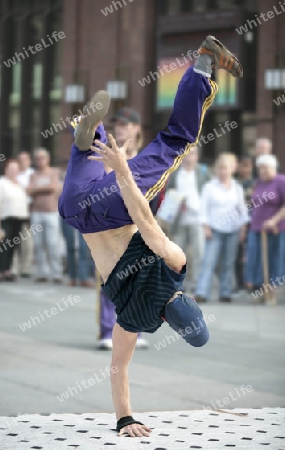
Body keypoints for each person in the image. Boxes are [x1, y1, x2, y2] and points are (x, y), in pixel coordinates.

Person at [59, 36, 242, 437]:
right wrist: (126, 418)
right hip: (76, 211)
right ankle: (89, 138)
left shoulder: (175, 266)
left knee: (177, 139)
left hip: (116, 206)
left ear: (188, 299)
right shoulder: (137, 319)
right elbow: (118, 367)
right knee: (87, 154)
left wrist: (123, 171)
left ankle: (202, 66)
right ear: (169, 324)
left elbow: (143, 217)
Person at [98, 107, 148, 350]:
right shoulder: (106, 155)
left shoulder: (146, 157)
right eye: (118, 124)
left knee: (138, 281)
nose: (121, 128)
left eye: (127, 124)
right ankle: (108, 331)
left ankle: (133, 332)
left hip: (141, 224)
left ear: (137, 128)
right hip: (111, 224)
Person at [195, 153, 249, 303]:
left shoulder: (237, 188)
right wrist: (206, 227)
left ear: (232, 169)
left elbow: (242, 210)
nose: (223, 172)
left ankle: (225, 292)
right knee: (209, 262)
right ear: (216, 169)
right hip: (214, 230)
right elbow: (203, 209)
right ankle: (201, 292)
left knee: (228, 262)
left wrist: (243, 229)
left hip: (233, 230)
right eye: (220, 168)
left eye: (226, 168)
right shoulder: (209, 187)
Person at [166, 146, 211, 293]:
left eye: (193, 154)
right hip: (180, 220)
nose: (190, 157)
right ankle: (180, 284)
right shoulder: (175, 173)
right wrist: (177, 202)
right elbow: (169, 193)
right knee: (179, 255)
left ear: (197, 156)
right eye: (187, 154)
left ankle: (198, 285)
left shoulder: (203, 172)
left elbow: (211, 193)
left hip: (198, 219)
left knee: (199, 253)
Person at [245, 154, 285, 305]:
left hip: (275, 229)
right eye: (260, 168)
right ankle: (262, 291)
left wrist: (274, 220)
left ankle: (271, 294)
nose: (262, 171)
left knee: (273, 260)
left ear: (274, 168)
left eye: (266, 167)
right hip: (256, 227)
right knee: (257, 260)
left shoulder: (281, 181)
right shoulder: (259, 183)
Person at [0, 159, 29, 281]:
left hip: (19, 219)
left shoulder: (19, 184)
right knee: (3, 245)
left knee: (13, 246)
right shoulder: (0, 183)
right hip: (5, 219)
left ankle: (7, 271)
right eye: (10, 169)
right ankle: (0, 272)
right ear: (5, 169)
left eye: (15, 169)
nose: (13, 171)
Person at [27, 148, 62, 283]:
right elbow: (28, 191)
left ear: (48, 159)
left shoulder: (54, 172)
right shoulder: (33, 175)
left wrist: (36, 189)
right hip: (36, 213)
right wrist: (41, 188)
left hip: (51, 212)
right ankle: (42, 272)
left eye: (42, 158)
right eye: (37, 158)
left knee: (53, 243)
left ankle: (56, 273)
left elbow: (53, 187)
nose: (40, 161)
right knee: (38, 244)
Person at [59, 161, 95, 287]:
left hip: (84, 214)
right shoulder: (64, 176)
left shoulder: (90, 176)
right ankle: (72, 277)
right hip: (68, 213)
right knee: (70, 246)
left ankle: (84, 277)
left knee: (83, 247)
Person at [11, 151, 35, 278]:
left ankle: (25, 268)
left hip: (29, 210)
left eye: (25, 159)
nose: (22, 162)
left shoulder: (33, 174)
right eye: (20, 159)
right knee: (14, 241)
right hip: (15, 211)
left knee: (28, 243)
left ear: (29, 161)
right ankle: (14, 268)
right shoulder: (13, 174)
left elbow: (33, 191)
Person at [234, 154, 254, 296]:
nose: (244, 169)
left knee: (250, 254)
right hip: (236, 223)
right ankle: (240, 283)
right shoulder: (234, 183)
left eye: (246, 166)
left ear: (251, 168)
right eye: (242, 166)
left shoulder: (255, 183)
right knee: (237, 254)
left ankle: (251, 283)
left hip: (252, 222)